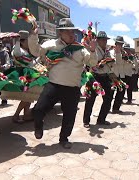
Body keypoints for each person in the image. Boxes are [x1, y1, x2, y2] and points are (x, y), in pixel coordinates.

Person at [28, 18, 98, 149]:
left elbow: (92, 63)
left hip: (72, 88)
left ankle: (64, 138)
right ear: (60, 33)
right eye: (67, 31)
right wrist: (33, 35)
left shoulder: (81, 49)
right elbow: (36, 51)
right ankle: (38, 126)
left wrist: (93, 51)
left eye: (72, 31)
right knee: (38, 109)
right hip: (54, 85)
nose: (71, 34)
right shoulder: (51, 44)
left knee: (69, 116)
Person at [83, 31, 121, 127]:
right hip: (94, 76)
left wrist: (117, 54)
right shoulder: (94, 49)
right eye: (102, 40)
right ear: (98, 41)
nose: (105, 42)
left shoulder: (108, 51)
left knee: (108, 98)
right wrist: (100, 64)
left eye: (105, 40)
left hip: (105, 76)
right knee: (90, 99)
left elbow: (116, 63)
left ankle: (101, 119)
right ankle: (86, 121)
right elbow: (91, 63)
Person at [9, 30, 47, 123]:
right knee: (27, 96)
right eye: (28, 41)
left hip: (30, 73)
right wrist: (17, 41)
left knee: (30, 95)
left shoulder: (26, 50)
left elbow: (31, 62)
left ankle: (26, 115)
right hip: (25, 75)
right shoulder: (17, 49)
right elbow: (19, 56)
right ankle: (16, 115)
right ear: (23, 41)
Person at [111, 36, 125, 114]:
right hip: (112, 75)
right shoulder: (111, 52)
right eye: (119, 44)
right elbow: (116, 62)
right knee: (110, 93)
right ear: (116, 44)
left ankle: (116, 108)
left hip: (120, 74)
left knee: (121, 91)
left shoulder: (122, 53)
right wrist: (118, 53)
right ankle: (107, 108)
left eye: (121, 44)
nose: (121, 46)